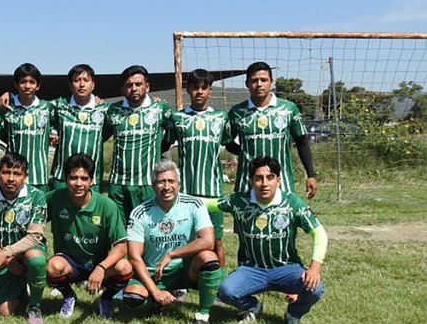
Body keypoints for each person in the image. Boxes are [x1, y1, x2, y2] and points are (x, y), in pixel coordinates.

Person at [213, 156, 326, 324]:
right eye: (258, 178)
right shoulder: (239, 201)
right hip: (252, 269)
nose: (264, 183)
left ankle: (293, 314)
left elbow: (319, 233)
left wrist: (314, 268)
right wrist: (177, 198)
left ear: (278, 180)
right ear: (251, 181)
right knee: (226, 291)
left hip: (286, 268)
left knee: (315, 288)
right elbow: (209, 204)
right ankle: (253, 307)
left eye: (270, 177)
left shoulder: (292, 202)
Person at [123, 160, 225, 324]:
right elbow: (134, 256)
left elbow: (208, 241)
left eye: (171, 181)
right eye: (161, 182)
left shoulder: (194, 204)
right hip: (154, 271)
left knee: (209, 257)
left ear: (179, 184)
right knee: (133, 299)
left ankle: (202, 316)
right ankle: (156, 300)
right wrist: (155, 291)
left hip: (185, 270)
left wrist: (172, 254)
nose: (166, 187)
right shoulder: (140, 212)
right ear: (153, 186)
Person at [46, 153, 131, 319]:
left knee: (124, 267)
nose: (78, 183)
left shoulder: (106, 205)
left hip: (98, 262)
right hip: (69, 262)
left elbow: (121, 247)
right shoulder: (55, 198)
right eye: (73, 178)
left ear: (92, 181)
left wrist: (101, 268)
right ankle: (68, 296)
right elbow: (33, 217)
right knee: (52, 267)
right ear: (65, 179)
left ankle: (105, 300)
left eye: (84, 178)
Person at [0, 152, 49, 324]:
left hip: (25, 252)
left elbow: (34, 236)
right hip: (0, 254)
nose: (11, 179)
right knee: (5, 312)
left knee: (36, 259)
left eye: (17, 174)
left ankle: (34, 306)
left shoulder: (36, 196)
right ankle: (17, 287)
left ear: (25, 176)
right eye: (6, 172)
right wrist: (6, 260)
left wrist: (5, 254)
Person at [166, 68, 232, 267]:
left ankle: (220, 280)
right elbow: (164, 144)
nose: (200, 92)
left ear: (210, 90)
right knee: (185, 238)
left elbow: (230, 144)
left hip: (213, 192)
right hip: (186, 191)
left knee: (216, 241)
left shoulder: (221, 118)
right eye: (196, 87)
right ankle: (184, 279)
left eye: (204, 88)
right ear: (188, 89)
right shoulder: (177, 118)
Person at [227, 61, 317, 198]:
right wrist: (246, 152)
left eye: (264, 80)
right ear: (247, 84)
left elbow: (302, 142)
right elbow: (227, 141)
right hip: (247, 184)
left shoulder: (288, 109)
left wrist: (311, 175)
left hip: (282, 183)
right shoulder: (237, 112)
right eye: (254, 80)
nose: (259, 84)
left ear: (271, 82)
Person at [104, 65, 175, 221]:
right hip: (118, 185)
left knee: (149, 229)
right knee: (120, 231)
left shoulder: (160, 109)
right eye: (129, 85)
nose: (134, 88)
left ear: (147, 87)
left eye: (138, 84)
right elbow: (101, 135)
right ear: (122, 88)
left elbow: (173, 131)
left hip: (148, 184)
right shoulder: (113, 110)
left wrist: (162, 148)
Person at [49, 65, 109, 191]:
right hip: (62, 178)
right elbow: (35, 108)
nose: (82, 84)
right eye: (77, 80)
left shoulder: (104, 109)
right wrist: (11, 96)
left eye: (86, 80)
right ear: (70, 86)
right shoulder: (59, 106)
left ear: (93, 85)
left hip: (92, 179)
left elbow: (108, 132)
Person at [0, 63, 54, 195]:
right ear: (16, 84)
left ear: (38, 85)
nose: (27, 86)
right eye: (23, 82)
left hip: (39, 176)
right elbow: (1, 133)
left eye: (32, 82)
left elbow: (59, 125)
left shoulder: (47, 107)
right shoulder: (7, 108)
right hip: (13, 175)